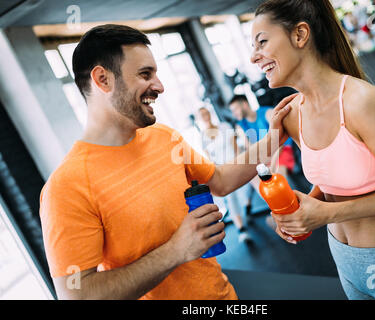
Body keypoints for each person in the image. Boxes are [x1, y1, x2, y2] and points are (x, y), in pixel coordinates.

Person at [39, 24, 295, 300]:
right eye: (145, 74)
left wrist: (275, 136)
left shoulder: (163, 137)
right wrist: (176, 250)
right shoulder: (66, 188)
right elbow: (76, 294)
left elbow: (220, 180)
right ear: (103, 79)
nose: (159, 86)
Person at [250, 0, 375, 300]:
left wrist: (326, 213)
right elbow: (334, 175)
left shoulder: (360, 101)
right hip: (343, 259)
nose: (253, 57)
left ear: (300, 35)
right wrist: (299, 210)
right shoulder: (290, 114)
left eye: (262, 42)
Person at [228, 94, 296, 224]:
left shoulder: (267, 113)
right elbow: (252, 150)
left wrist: (271, 163)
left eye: (235, 109)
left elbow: (280, 141)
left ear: (245, 104)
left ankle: (289, 210)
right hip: (264, 157)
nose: (234, 113)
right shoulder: (241, 125)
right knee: (254, 177)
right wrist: (263, 164)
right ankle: (278, 211)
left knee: (277, 176)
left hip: (281, 150)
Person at [197, 106, 252, 243]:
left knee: (248, 190)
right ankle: (241, 230)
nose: (205, 116)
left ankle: (247, 206)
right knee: (231, 198)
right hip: (222, 171)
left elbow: (236, 147)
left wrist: (240, 163)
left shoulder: (224, 126)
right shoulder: (203, 137)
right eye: (202, 115)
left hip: (235, 164)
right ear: (199, 119)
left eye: (206, 113)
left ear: (210, 114)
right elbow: (209, 159)